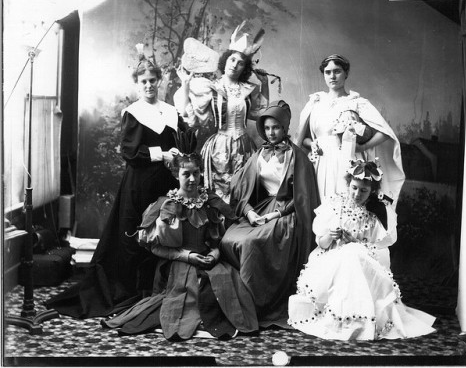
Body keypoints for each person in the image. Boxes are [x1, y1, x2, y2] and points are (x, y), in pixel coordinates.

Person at [46, 47, 186, 318]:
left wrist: (177, 153)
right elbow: (130, 152)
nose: (148, 85)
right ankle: (131, 291)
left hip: (164, 183)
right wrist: (162, 154)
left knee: (163, 232)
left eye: (152, 81)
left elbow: (176, 143)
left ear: (159, 82)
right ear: (137, 84)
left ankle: (156, 290)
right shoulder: (133, 112)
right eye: (143, 82)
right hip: (139, 183)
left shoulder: (170, 111)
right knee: (135, 236)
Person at [102, 152, 258, 340]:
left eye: (197, 173)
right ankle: (193, 317)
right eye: (186, 174)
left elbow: (214, 240)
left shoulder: (208, 201)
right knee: (192, 285)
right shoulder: (166, 206)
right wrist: (186, 256)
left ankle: (214, 316)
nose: (192, 179)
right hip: (178, 262)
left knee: (226, 279)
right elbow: (155, 248)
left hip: (206, 259)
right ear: (177, 174)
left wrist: (215, 254)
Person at [288, 159, 436, 341]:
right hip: (332, 258)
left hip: (364, 262)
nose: (357, 194)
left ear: (372, 191)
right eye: (354, 188)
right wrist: (331, 236)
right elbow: (322, 243)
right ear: (348, 184)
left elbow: (381, 250)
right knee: (348, 255)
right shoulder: (335, 204)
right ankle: (340, 319)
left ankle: (359, 322)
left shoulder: (377, 212)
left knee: (353, 253)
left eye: (364, 190)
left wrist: (356, 243)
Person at [220, 100, 320, 327]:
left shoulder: (297, 157)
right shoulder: (258, 154)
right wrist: (249, 213)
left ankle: (255, 307)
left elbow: (302, 197)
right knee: (229, 239)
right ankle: (236, 301)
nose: (271, 133)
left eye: (275, 127)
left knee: (252, 243)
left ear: (285, 128)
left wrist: (276, 215)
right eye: (266, 128)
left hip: (287, 214)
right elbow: (241, 189)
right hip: (261, 209)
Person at [174, 24, 269, 203]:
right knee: (220, 192)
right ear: (225, 61)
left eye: (240, 63)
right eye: (232, 60)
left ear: (245, 68)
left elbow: (259, 113)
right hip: (219, 146)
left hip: (244, 146)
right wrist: (185, 85)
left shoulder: (248, 89)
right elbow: (192, 117)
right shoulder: (212, 87)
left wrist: (265, 85)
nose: (235, 65)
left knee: (242, 191)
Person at [295, 54, 405, 204]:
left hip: (347, 161)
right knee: (320, 206)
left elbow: (385, 133)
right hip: (320, 163)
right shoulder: (316, 102)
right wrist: (312, 144)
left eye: (337, 71)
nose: (332, 76)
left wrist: (363, 147)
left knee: (346, 206)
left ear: (346, 73)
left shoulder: (357, 103)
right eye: (328, 72)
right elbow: (304, 137)